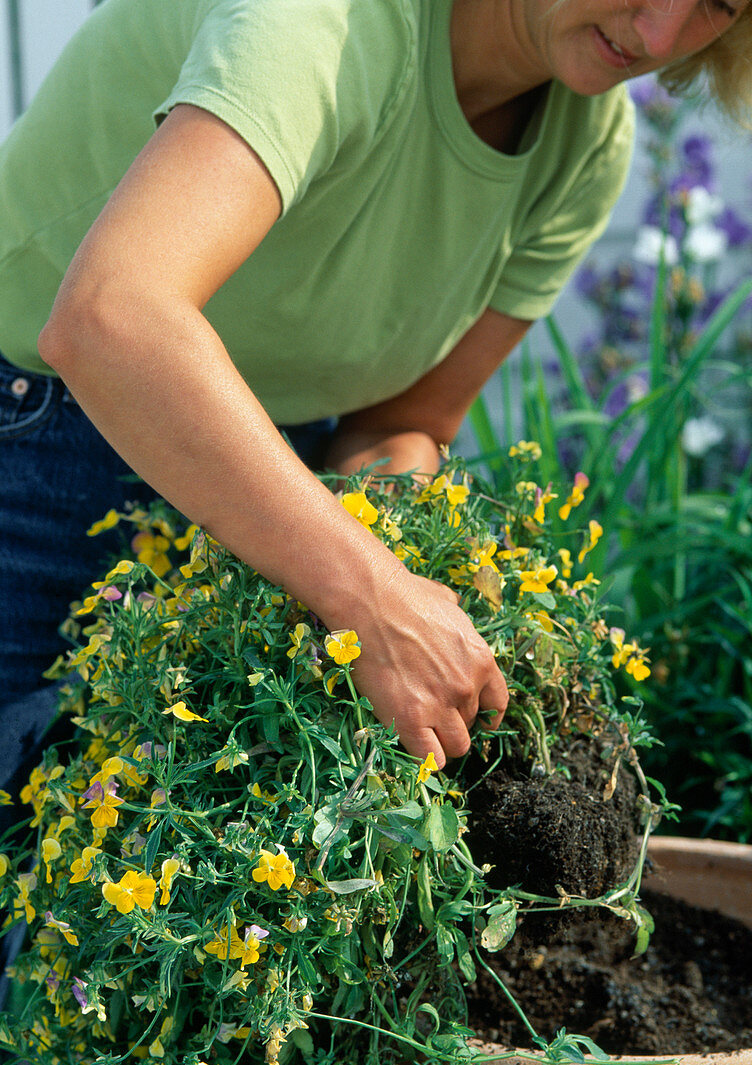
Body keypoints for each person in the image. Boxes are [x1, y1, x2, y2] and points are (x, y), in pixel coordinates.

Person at [0, 0, 750, 798]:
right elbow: (109, 319)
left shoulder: (588, 144)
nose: (661, 34)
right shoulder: (326, 19)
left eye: (717, 4)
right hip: (42, 431)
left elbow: (402, 423)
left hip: (264, 469)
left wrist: (425, 579)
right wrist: (372, 593)